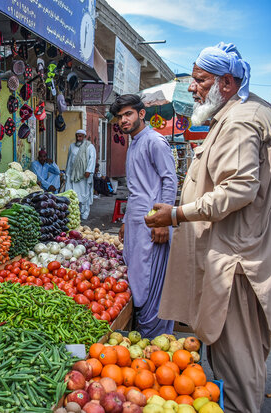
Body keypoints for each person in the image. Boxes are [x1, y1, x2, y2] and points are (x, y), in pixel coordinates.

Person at [144, 42, 271, 413]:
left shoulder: (240, 121)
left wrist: (177, 214)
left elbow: (239, 188)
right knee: (242, 352)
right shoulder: (253, 110)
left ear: (226, 83)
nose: (192, 88)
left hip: (240, 258)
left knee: (237, 358)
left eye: (199, 80)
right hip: (249, 247)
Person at [112, 94, 177, 338]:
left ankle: (154, 338)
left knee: (151, 281)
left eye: (128, 114)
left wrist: (164, 220)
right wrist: (127, 221)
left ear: (141, 113)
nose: (123, 120)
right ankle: (142, 332)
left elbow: (169, 182)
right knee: (137, 275)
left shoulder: (155, 141)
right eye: (120, 117)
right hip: (137, 222)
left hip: (154, 223)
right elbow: (136, 188)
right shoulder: (134, 142)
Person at [66, 129, 96, 220]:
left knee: (84, 196)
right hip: (73, 175)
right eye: (77, 136)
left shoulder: (89, 147)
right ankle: (75, 214)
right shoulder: (72, 146)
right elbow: (69, 160)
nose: (79, 138)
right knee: (73, 195)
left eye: (81, 136)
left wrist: (88, 171)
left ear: (84, 137)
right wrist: (67, 174)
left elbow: (92, 159)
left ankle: (84, 213)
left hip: (84, 176)